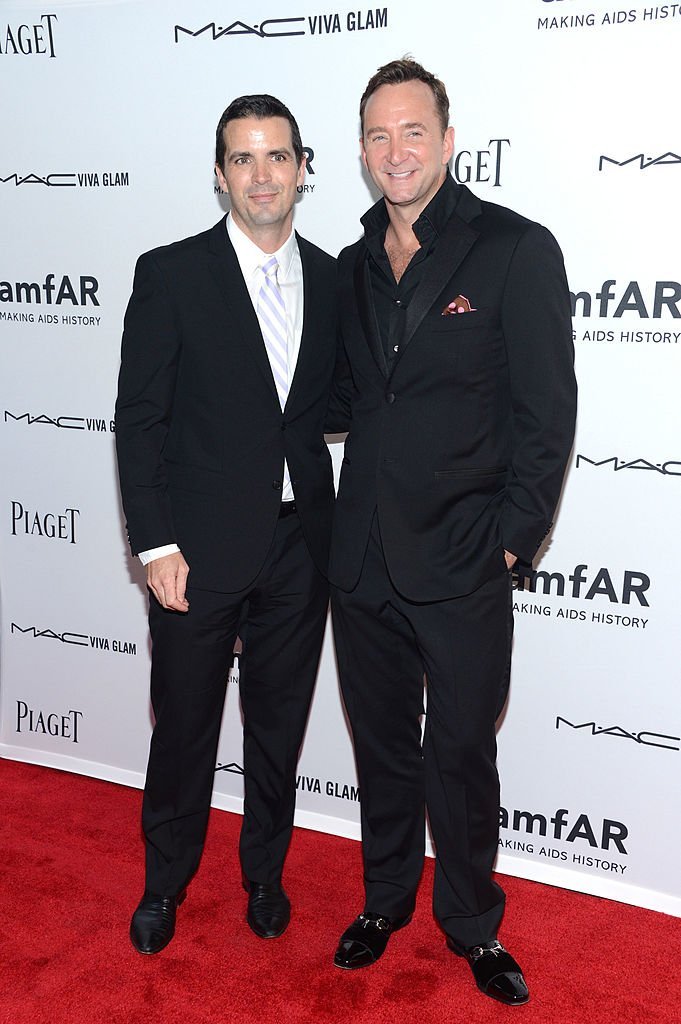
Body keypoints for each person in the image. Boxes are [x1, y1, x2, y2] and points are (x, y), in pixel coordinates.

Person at [326, 59, 577, 1005]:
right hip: (362, 561)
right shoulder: (348, 267)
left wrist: (514, 540)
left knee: (461, 750)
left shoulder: (514, 248)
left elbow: (546, 411)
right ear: (359, 152)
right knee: (382, 746)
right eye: (379, 136)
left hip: (465, 557)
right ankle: (385, 900)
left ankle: (471, 924)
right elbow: (344, 398)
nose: (397, 151)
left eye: (414, 131)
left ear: (448, 139)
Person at [115, 94, 337, 955]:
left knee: (278, 726)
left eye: (276, 157)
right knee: (185, 727)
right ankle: (163, 883)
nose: (261, 176)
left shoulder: (333, 274)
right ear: (219, 174)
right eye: (242, 159)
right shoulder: (171, 273)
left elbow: (336, 402)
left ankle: (265, 875)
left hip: (300, 546)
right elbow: (139, 418)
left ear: (302, 168)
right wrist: (155, 543)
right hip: (196, 550)